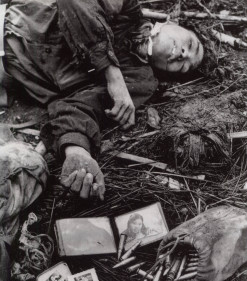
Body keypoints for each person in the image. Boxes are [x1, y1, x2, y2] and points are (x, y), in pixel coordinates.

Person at [1, 0, 204, 201]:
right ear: (171, 24)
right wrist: (112, 74)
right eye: (190, 44)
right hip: (10, 19)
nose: (183, 54)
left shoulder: (139, 80)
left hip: (9, 70)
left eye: (184, 66)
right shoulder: (127, 7)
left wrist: (77, 152)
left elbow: (83, 105)